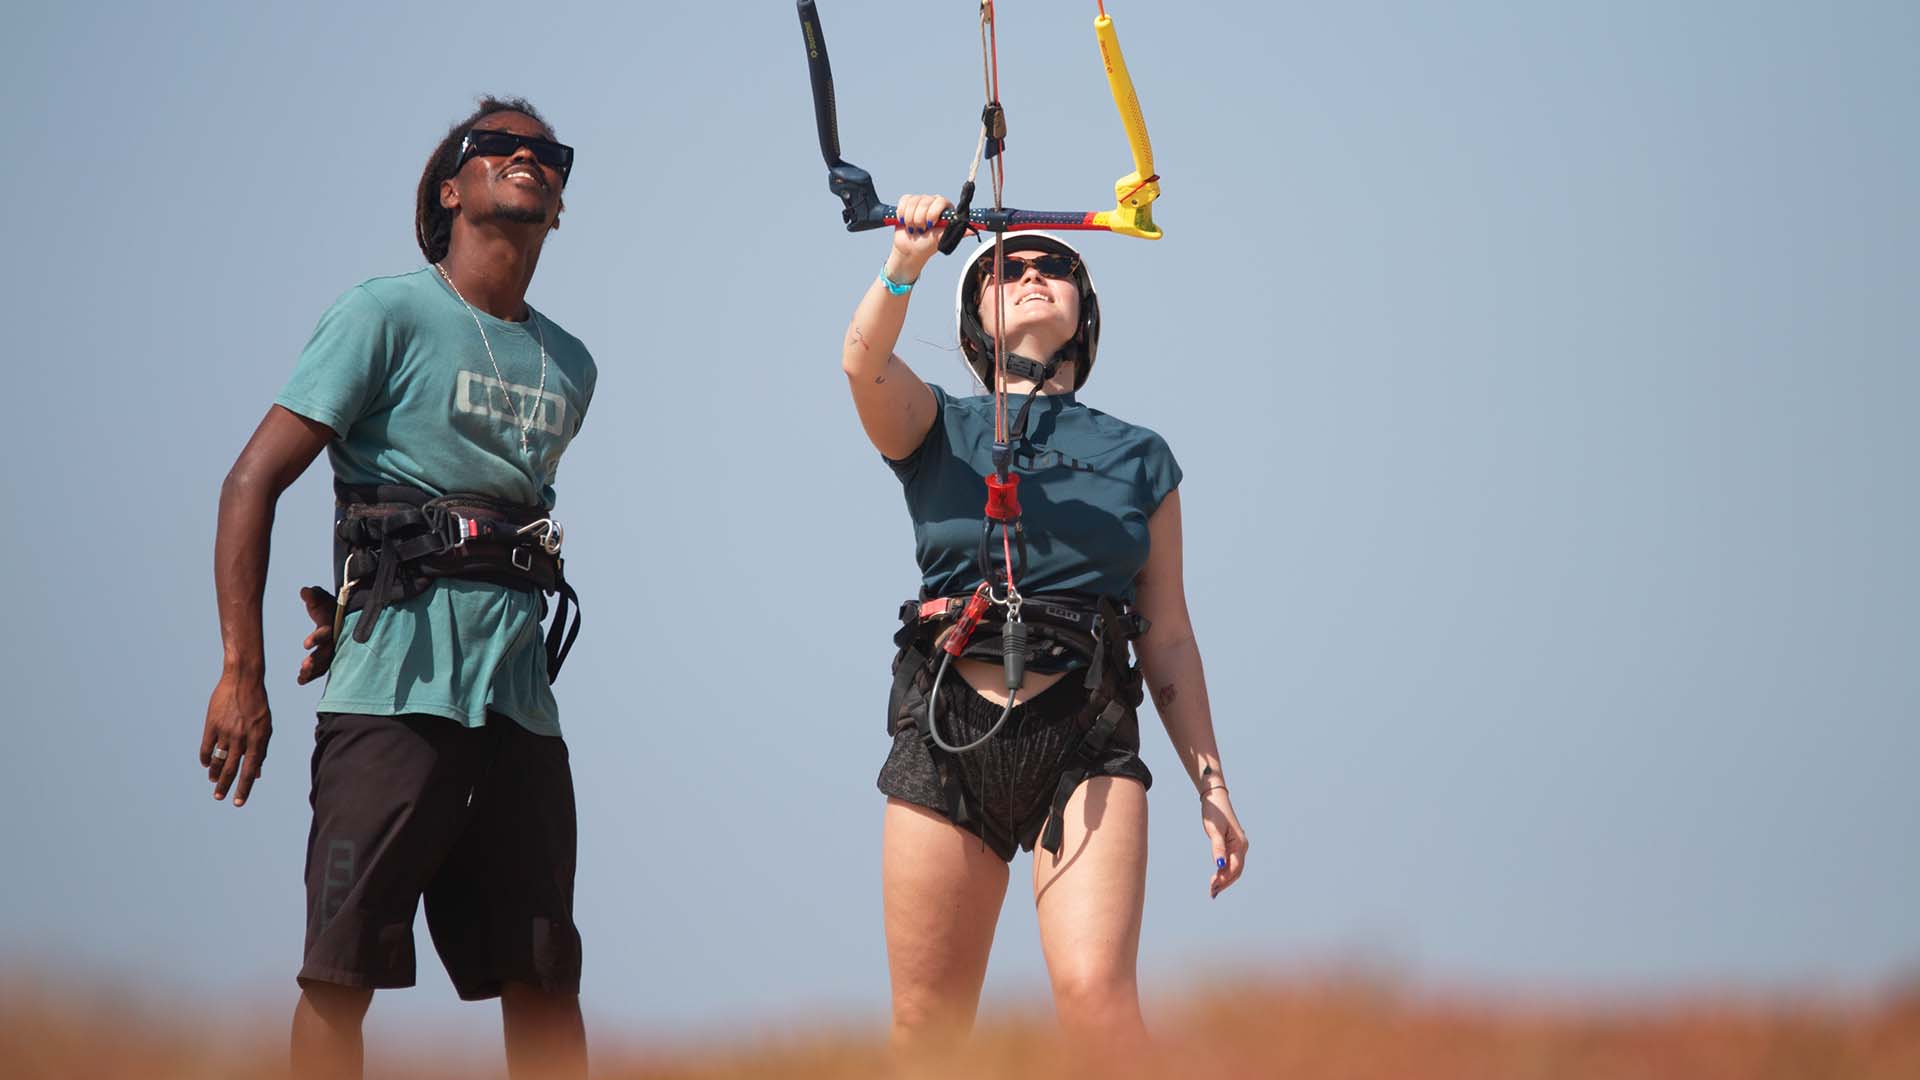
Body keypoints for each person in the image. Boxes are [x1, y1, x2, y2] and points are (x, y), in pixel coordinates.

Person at [199, 98, 595, 1080]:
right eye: (497, 146)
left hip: (519, 709)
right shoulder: (384, 312)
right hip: (390, 697)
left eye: (547, 153)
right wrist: (240, 671)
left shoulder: (571, 364)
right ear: (448, 190)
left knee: (546, 979)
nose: (526, 158)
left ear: (561, 202)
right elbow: (252, 480)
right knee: (340, 976)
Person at [844, 195, 1251, 1055]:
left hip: (1086, 731)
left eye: (1054, 266)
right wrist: (905, 262)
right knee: (926, 1027)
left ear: (1084, 311)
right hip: (949, 728)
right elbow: (861, 362)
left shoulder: (1141, 458)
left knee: (1098, 1001)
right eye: (1005, 268)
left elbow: (1168, 633)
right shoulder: (935, 425)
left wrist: (1210, 784)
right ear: (973, 318)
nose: (1032, 274)